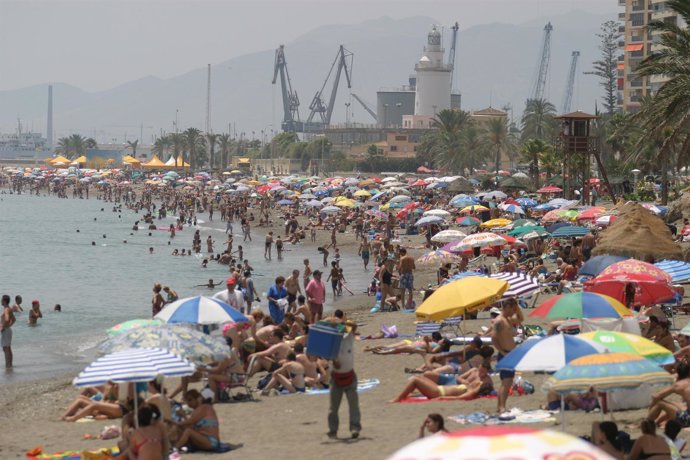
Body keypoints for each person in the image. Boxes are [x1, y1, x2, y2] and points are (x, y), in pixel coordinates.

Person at [327, 315, 361, 439]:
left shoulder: (348, 338)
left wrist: (342, 322)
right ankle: (333, 430)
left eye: (341, 330)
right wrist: (334, 361)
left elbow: (354, 326)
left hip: (350, 377)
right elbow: (329, 359)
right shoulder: (331, 344)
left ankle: (355, 428)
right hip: (336, 378)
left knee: (353, 405)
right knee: (333, 408)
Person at [390, 362, 494, 402]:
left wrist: (442, 398)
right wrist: (464, 382)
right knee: (422, 376)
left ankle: (398, 398)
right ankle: (406, 394)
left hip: (439, 392)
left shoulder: (472, 391)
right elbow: (460, 378)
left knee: (415, 380)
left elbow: (458, 398)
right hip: (442, 388)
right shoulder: (472, 385)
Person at [492, 298, 523, 414]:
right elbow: (493, 338)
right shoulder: (499, 321)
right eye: (512, 308)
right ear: (506, 308)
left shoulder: (508, 319)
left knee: (506, 382)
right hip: (505, 353)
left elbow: (521, 319)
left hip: (510, 354)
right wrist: (502, 352)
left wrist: (517, 307)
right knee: (507, 382)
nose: (513, 311)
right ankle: (501, 407)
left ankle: (500, 406)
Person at [648, 362, 690, 427]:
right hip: (687, 415)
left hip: (687, 420)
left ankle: (647, 423)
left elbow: (656, 396)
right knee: (674, 404)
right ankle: (657, 423)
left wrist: (650, 410)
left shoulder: (679, 385)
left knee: (660, 403)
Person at [1, 294, 16, 368]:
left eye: (1, 300)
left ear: (4, 301)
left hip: (6, 330)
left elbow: (7, 319)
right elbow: (14, 319)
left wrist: (3, 327)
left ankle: (8, 365)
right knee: (8, 348)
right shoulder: (9, 308)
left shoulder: (6, 309)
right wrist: (8, 326)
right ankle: (10, 365)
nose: (1, 301)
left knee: (5, 348)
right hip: (8, 330)